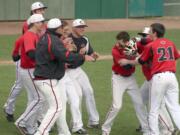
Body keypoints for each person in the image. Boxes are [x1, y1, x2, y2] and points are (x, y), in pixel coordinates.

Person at [33, 18, 94, 135]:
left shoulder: (45, 37)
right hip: (47, 79)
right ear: (57, 29)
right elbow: (66, 56)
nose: (63, 29)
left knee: (58, 106)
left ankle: (64, 132)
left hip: (46, 77)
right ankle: (41, 132)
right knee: (56, 108)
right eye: (62, 27)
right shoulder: (54, 41)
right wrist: (82, 57)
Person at [120, 23, 180, 135]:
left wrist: (131, 59)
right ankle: (146, 126)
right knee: (141, 101)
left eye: (147, 34)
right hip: (166, 77)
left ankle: (167, 130)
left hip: (157, 78)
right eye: (142, 35)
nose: (144, 37)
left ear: (153, 33)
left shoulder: (150, 45)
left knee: (155, 108)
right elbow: (127, 52)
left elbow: (139, 60)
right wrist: (134, 41)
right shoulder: (165, 43)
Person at [3, 1, 47, 122]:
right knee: (19, 85)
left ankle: (34, 118)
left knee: (34, 93)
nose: (43, 11)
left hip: (34, 60)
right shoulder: (28, 24)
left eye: (43, 9)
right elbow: (28, 42)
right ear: (34, 12)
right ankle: (9, 108)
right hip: (25, 58)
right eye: (40, 9)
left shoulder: (43, 24)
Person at [101, 31, 149, 135]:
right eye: (117, 42)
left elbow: (143, 41)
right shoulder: (115, 50)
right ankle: (105, 129)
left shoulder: (133, 43)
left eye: (120, 43)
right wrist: (137, 58)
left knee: (139, 103)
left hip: (131, 79)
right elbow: (126, 66)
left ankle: (146, 129)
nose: (118, 44)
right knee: (117, 106)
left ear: (127, 42)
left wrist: (137, 53)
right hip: (118, 79)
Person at [14, 14, 45, 135]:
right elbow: (31, 53)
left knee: (34, 98)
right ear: (35, 23)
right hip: (28, 70)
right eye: (40, 22)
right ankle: (21, 122)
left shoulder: (34, 35)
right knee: (40, 98)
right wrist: (44, 61)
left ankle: (30, 127)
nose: (42, 24)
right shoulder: (29, 36)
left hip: (30, 69)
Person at [66, 19, 100, 129]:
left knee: (89, 91)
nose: (83, 29)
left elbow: (90, 53)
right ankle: (75, 124)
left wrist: (94, 55)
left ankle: (93, 121)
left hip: (78, 70)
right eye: (80, 27)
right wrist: (80, 55)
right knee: (78, 95)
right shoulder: (67, 39)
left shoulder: (85, 39)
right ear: (74, 28)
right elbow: (67, 58)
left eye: (84, 27)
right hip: (68, 71)